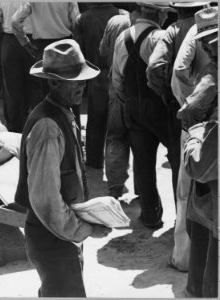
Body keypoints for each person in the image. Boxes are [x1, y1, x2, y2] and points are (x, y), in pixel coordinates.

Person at [14, 39, 112, 297]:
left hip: (60, 236)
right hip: (53, 238)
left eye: (82, 79)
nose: (81, 85)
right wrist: (85, 230)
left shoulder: (63, 113)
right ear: (53, 82)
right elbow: (46, 200)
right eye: (74, 80)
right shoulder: (48, 126)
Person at [112, 1, 177, 228]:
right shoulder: (161, 37)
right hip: (160, 109)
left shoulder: (123, 37)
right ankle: (182, 221)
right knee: (177, 160)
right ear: (158, 14)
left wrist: (128, 100)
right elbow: (169, 76)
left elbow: (117, 78)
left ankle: (150, 216)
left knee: (143, 164)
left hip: (132, 107)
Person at [168, 6, 210, 271]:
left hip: (199, 125)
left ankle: (183, 259)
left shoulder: (197, 30)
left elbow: (179, 69)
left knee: (187, 194)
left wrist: (192, 98)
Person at [180, 7, 218, 297]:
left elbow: (200, 166)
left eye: (210, 42)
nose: (206, 48)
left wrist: (195, 135)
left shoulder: (212, 75)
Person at [74, 3, 128, 169]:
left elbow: (78, 50)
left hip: (95, 74)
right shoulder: (123, 15)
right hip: (119, 75)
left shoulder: (82, 19)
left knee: (96, 121)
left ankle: (94, 160)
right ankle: (118, 166)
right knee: (118, 124)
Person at [11, 2, 81, 127]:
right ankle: (73, 135)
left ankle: (48, 130)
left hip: (44, 50)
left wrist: (25, 43)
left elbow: (15, 21)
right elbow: (76, 22)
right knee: (72, 94)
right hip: (67, 46)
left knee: (47, 98)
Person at [99, 9, 143, 199]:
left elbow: (102, 51)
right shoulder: (155, 33)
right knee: (143, 142)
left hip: (117, 91)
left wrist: (119, 92)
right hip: (141, 94)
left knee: (116, 138)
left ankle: (115, 187)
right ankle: (143, 190)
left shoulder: (115, 22)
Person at [0, 2, 43, 133]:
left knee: (13, 92)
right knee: (36, 88)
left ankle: (17, 132)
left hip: (10, 40)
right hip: (32, 40)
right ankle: (37, 130)